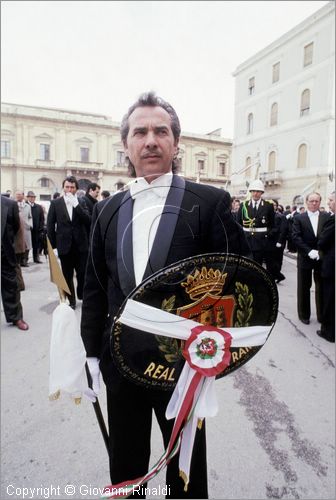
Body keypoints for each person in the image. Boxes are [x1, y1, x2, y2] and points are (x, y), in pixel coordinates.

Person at [80, 92, 249, 499]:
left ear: (176, 144)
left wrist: (218, 351)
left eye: (161, 131)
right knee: (126, 465)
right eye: (140, 132)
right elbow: (96, 285)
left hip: (183, 367)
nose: (150, 140)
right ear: (126, 145)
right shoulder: (108, 208)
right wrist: (89, 351)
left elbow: (240, 278)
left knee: (187, 469)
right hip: (119, 363)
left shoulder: (209, 202)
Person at [47, 176, 91, 309]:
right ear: (63, 188)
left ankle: (82, 296)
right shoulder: (56, 203)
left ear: (76, 189)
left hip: (81, 246)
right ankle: (71, 300)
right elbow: (50, 225)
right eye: (67, 187)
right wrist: (53, 246)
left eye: (72, 187)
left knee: (82, 273)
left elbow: (88, 221)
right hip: (64, 246)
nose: (69, 190)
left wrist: (76, 205)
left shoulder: (82, 202)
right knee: (67, 275)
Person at [292, 192, 330, 325]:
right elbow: (296, 237)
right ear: (307, 202)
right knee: (304, 286)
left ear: (320, 202)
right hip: (305, 257)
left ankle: (322, 315)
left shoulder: (327, 217)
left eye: (317, 201)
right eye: (311, 201)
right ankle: (304, 314)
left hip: (321, 258)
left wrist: (320, 252)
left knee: (322, 287)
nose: (314, 203)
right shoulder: (299, 218)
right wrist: (308, 251)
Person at [1, 195, 29, 330]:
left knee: (11, 286)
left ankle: (16, 317)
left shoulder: (9, 204)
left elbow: (16, 227)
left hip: (4, 253)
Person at [236, 179, 275, 269]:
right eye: (253, 191)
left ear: (261, 192)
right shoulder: (244, 205)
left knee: (258, 265)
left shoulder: (268, 206)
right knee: (246, 264)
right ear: (250, 192)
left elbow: (272, 225)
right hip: (246, 240)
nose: (255, 193)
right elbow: (238, 223)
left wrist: (266, 236)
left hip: (261, 241)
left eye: (258, 191)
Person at [317, 192, 335, 342]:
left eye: (331, 200)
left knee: (329, 299)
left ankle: (328, 332)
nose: (328, 203)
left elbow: (322, 241)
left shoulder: (332, 220)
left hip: (331, 266)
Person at [15, 190, 33, 267]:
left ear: (23, 195)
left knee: (27, 245)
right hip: (17, 228)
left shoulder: (27, 206)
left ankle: (24, 261)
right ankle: (18, 261)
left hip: (26, 228)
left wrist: (30, 225)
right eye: (17, 194)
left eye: (19, 194)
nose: (18, 196)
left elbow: (30, 217)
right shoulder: (13, 205)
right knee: (19, 244)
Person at [26, 191, 44, 263]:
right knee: (26, 245)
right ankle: (25, 259)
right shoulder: (25, 206)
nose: (32, 198)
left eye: (33, 197)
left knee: (36, 244)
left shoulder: (38, 207)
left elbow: (42, 218)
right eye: (30, 197)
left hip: (36, 229)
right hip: (27, 229)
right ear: (27, 198)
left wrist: (41, 227)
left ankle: (36, 258)